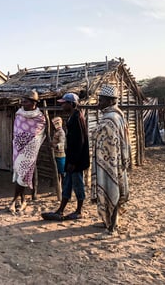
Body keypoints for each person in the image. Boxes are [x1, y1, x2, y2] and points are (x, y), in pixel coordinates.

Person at [91, 84, 131, 238]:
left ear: (109, 101)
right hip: (113, 162)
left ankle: (112, 228)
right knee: (112, 190)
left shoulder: (110, 119)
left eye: (101, 100)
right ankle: (108, 222)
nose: (98, 103)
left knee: (111, 190)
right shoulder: (118, 116)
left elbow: (103, 139)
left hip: (110, 164)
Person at [42, 92, 90, 221]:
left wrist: (73, 161)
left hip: (77, 160)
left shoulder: (77, 118)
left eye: (64, 103)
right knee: (67, 184)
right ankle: (60, 210)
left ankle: (79, 210)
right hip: (72, 158)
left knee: (77, 184)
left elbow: (79, 142)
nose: (62, 105)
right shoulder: (72, 117)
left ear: (72, 104)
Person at [8, 90, 46, 213]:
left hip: (30, 150)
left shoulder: (40, 118)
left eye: (26, 100)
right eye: (23, 100)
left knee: (23, 176)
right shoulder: (19, 115)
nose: (23, 102)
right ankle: (23, 201)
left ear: (34, 102)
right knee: (20, 175)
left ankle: (13, 200)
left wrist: (29, 143)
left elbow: (39, 134)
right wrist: (19, 142)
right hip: (18, 149)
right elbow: (17, 132)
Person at [51, 116, 66, 187]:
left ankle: (64, 187)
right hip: (56, 154)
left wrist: (54, 145)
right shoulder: (56, 131)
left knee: (62, 172)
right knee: (58, 172)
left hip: (60, 155)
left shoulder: (61, 132)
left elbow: (62, 143)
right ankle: (59, 186)